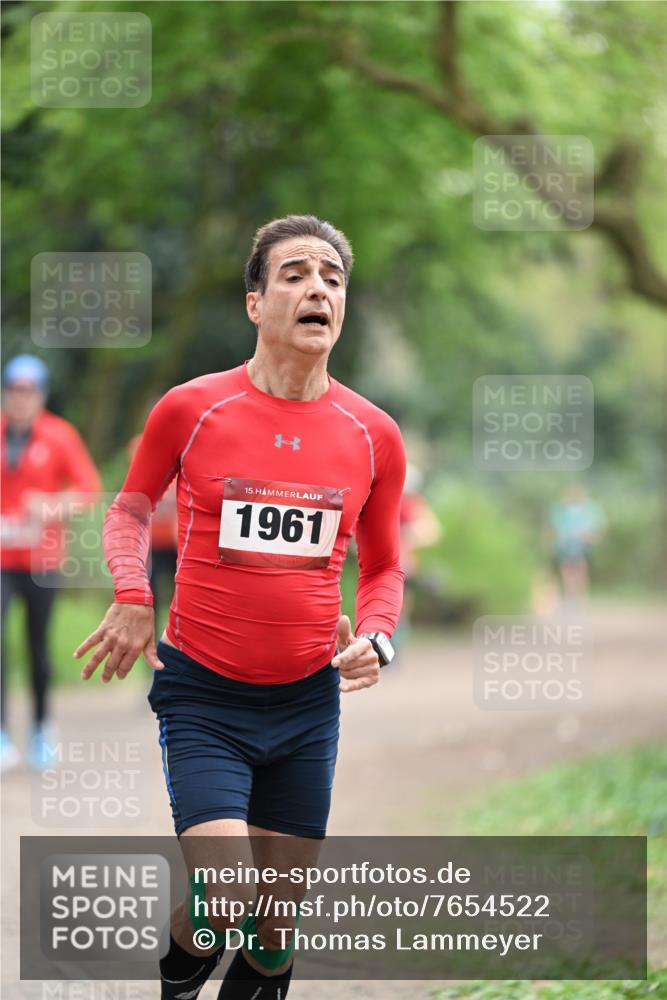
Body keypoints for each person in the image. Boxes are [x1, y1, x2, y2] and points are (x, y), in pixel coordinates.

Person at [74, 215, 406, 1000]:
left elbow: (386, 563)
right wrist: (131, 594)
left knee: (273, 928)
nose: (317, 287)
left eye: (331, 276)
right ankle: (178, 987)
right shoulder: (193, 409)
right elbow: (126, 510)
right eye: (293, 274)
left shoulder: (372, 434)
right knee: (225, 898)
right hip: (205, 696)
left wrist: (381, 638)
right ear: (255, 303)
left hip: (305, 703)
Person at [1, 354, 101, 770]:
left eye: (29, 391)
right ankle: (2, 732)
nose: (21, 399)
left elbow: (88, 490)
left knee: (37, 645)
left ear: (41, 396)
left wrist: (52, 505)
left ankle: (42, 728)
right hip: (2, 557)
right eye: (14, 390)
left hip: (42, 560)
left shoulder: (59, 436)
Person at [548, 483, 606, 607]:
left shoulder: (589, 510)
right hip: (566, 548)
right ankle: (571, 598)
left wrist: (588, 537)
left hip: (582, 548)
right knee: (568, 570)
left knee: (579, 571)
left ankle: (579, 599)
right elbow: (555, 529)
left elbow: (597, 529)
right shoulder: (561, 510)